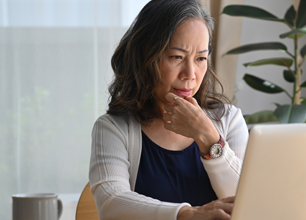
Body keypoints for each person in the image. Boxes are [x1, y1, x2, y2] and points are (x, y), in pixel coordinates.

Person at [88, 0, 249, 219]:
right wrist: (188, 214)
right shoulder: (113, 128)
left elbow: (249, 203)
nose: (190, 74)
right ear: (146, 57)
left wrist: (209, 139)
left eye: (201, 58)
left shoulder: (229, 120)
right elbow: (111, 203)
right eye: (177, 57)